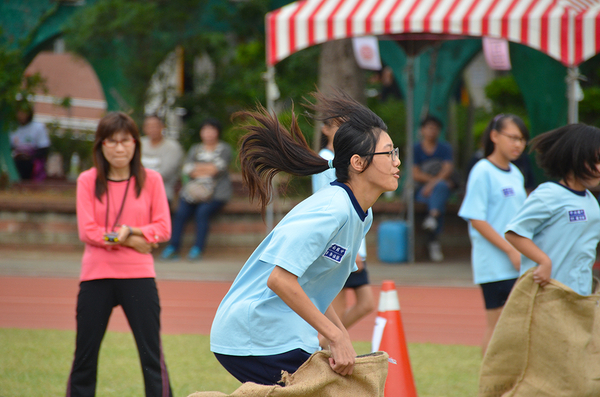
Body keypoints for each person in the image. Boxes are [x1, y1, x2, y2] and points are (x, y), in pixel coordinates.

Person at [210, 91, 401, 385]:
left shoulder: (362, 213)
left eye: (395, 152)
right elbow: (280, 280)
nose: (396, 161)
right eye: (388, 153)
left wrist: (337, 334)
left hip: (280, 334)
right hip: (256, 333)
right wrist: (336, 336)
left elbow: (316, 288)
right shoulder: (331, 209)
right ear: (358, 163)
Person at [66, 112, 173, 397]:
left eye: (125, 141)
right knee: (84, 357)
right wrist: (129, 240)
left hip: (138, 276)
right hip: (95, 276)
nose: (119, 148)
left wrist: (129, 231)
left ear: (135, 144)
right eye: (111, 141)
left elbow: (163, 229)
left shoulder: (152, 180)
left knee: (152, 356)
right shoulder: (87, 181)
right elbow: (87, 231)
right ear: (101, 145)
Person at [458, 114, 529, 355]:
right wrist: (510, 249)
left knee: (517, 327)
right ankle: (489, 385)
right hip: (495, 265)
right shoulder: (482, 170)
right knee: (497, 326)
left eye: (522, 139)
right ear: (495, 136)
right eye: (513, 137)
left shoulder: (516, 174)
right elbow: (476, 218)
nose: (518, 144)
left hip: (517, 262)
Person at [505, 124, 600, 296]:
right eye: (595, 161)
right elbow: (514, 232)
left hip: (580, 296)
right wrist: (543, 261)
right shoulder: (550, 194)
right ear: (574, 158)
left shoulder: (592, 202)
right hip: (547, 295)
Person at [311, 118, 375, 337]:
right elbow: (330, 209)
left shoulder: (346, 159)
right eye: (336, 125)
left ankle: (325, 340)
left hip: (351, 244)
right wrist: (352, 249)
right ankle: (324, 342)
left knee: (365, 303)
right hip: (340, 246)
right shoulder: (326, 161)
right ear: (325, 129)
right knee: (336, 308)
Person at [161, 118, 232, 261]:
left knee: (202, 213)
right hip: (193, 192)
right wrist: (207, 168)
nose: (208, 133)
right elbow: (187, 169)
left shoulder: (224, 149)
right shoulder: (195, 148)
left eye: (212, 129)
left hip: (216, 194)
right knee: (180, 213)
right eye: (205, 130)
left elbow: (216, 169)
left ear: (218, 132)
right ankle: (173, 247)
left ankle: (197, 249)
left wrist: (198, 168)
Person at [413, 115, 457, 262]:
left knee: (441, 189)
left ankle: (432, 218)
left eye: (435, 128)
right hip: (421, 191)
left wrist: (432, 185)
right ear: (422, 130)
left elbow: (447, 169)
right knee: (441, 191)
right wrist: (434, 183)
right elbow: (415, 173)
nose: (432, 131)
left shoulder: (445, 148)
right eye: (429, 127)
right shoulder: (416, 149)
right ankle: (434, 241)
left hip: (436, 189)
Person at [140, 115, 184, 207]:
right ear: (144, 128)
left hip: (163, 192)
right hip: (138, 190)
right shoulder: (139, 144)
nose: (152, 129)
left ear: (162, 127)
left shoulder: (173, 147)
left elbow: (165, 173)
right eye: (149, 126)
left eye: (155, 126)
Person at [9, 102, 50, 181]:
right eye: (19, 112)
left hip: (31, 161)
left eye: (24, 112)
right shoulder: (11, 127)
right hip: (15, 159)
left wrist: (29, 155)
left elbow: (43, 149)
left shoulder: (38, 127)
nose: (22, 115)